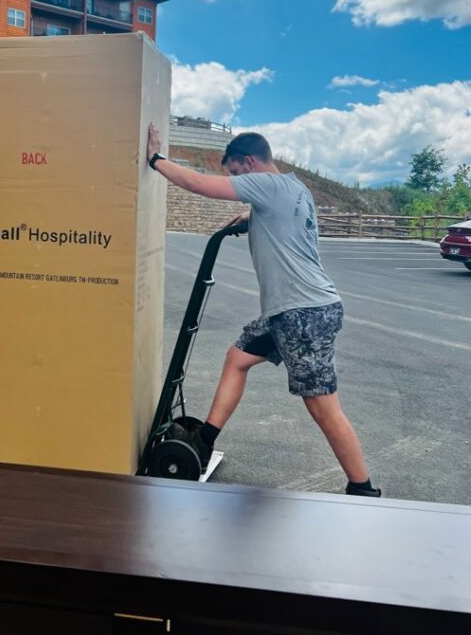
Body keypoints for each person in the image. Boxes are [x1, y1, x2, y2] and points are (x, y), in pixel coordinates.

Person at [147, 124, 381, 497]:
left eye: (237, 173)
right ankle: (203, 442)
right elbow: (284, 222)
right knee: (237, 358)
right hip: (290, 312)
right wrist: (251, 218)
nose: (239, 181)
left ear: (250, 162)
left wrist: (156, 159)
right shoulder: (295, 188)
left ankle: (363, 488)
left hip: (303, 314)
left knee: (322, 406)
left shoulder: (267, 185)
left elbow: (201, 185)